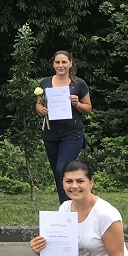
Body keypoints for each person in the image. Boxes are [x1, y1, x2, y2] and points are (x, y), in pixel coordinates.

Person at [35, 50, 93, 204]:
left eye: (64, 62)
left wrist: (77, 104)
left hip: (72, 133)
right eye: (57, 62)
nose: (60, 65)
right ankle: (66, 206)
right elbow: (38, 104)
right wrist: (41, 109)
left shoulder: (78, 83)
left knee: (63, 169)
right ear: (53, 64)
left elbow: (88, 109)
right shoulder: (45, 83)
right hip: (50, 134)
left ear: (70, 64)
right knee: (57, 172)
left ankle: (75, 203)